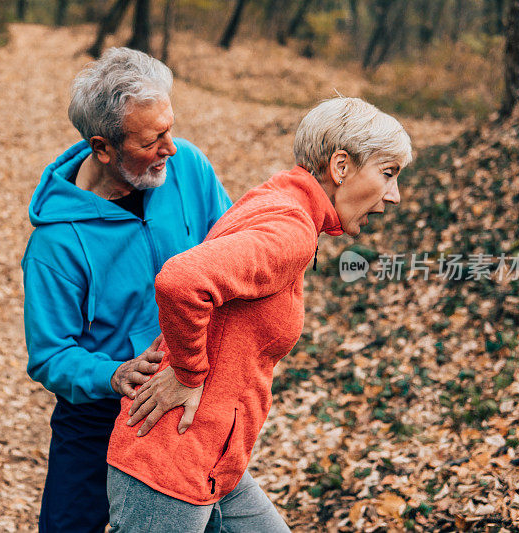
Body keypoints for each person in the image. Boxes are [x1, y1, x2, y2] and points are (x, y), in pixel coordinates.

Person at [106, 96, 413, 531]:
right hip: (170, 460)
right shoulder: (290, 229)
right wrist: (188, 374)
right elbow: (180, 281)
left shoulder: (281, 200)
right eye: (388, 173)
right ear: (340, 167)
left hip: (217, 462)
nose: (394, 195)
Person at [21, 47, 232, 533]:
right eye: (152, 139)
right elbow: (50, 355)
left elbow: (229, 252)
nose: (171, 148)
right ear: (102, 147)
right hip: (97, 418)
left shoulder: (189, 169)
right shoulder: (55, 244)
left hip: (188, 396)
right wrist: (114, 374)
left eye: (170, 128)